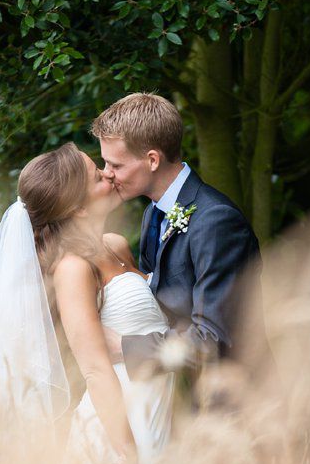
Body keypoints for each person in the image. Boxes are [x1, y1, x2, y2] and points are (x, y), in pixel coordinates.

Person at [0, 143, 173, 464]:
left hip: (158, 399)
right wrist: (128, 453)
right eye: (98, 176)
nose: (110, 173)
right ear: (79, 208)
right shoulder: (73, 269)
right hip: (122, 420)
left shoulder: (116, 245)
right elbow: (95, 369)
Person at [91, 93, 261, 379]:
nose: (107, 175)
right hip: (173, 395)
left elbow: (212, 338)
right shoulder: (153, 215)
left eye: (116, 165)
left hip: (228, 404)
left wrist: (124, 347)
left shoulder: (216, 221)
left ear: (153, 160)